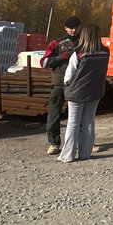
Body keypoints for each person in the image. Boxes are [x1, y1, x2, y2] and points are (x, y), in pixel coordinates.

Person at [59, 23, 110, 162]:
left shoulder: (78, 52)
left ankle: (68, 155)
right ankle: (85, 153)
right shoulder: (106, 52)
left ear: (84, 35)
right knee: (89, 121)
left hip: (77, 91)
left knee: (73, 122)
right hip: (96, 90)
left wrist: (67, 85)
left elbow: (69, 74)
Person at [41, 17, 82, 155]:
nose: (73, 30)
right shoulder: (56, 43)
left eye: (76, 27)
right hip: (59, 82)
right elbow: (44, 63)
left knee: (80, 114)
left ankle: (83, 141)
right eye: (70, 28)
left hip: (78, 82)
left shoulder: (84, 42)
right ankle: (54, 143)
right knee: (54, 113)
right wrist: (61, 58)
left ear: (80, 27)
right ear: (65, 28)